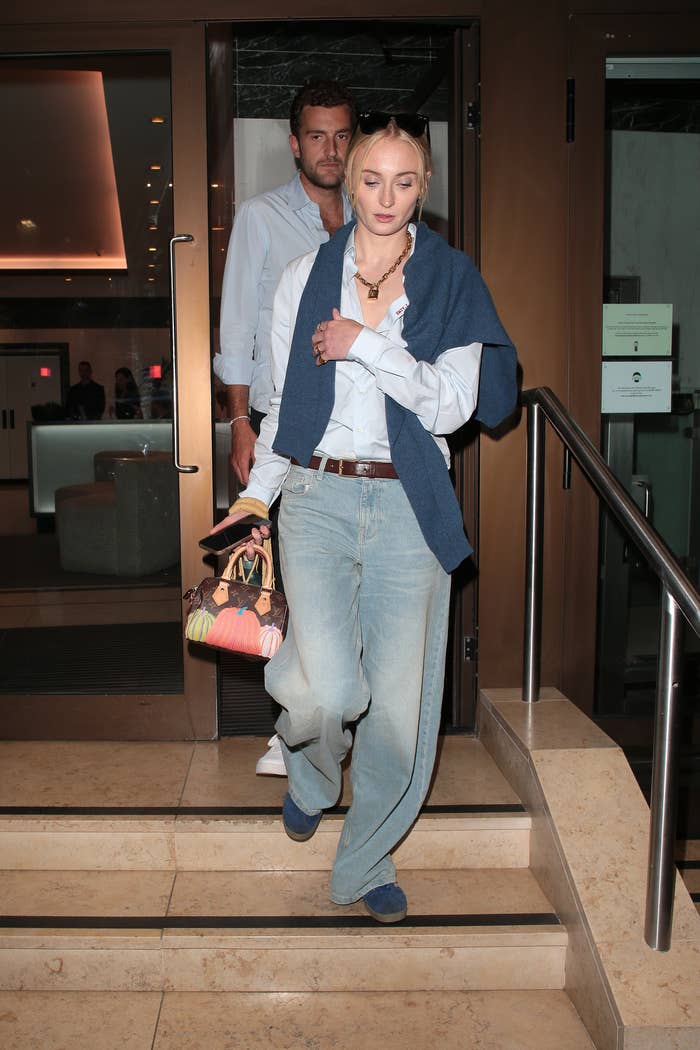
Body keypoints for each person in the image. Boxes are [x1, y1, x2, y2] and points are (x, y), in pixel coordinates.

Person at [210, 113, 517, 923]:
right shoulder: (301, 278)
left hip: (410, 502)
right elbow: (284, 410)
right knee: (324, 688)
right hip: (316, 496)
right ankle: (312, 773)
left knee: (399, 711)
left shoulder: (451, 280)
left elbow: (450, 408)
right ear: (350, 183)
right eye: (372, 180)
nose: (386, 197)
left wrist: (366, 344)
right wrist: (255, 499)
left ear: (424, 187)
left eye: (404, 182)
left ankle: (365, 860)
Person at [213, 78, 357, 777]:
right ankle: (291, 727)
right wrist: (241, 420)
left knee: (343, 581)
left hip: (356, 427)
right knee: (293, 577)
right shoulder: (261, 217)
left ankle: (326, 716)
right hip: (285, 422)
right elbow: (238, 324)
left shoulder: (374, 217)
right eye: (317, 136)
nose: (331, 150)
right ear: (295, 144)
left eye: (342, 135)